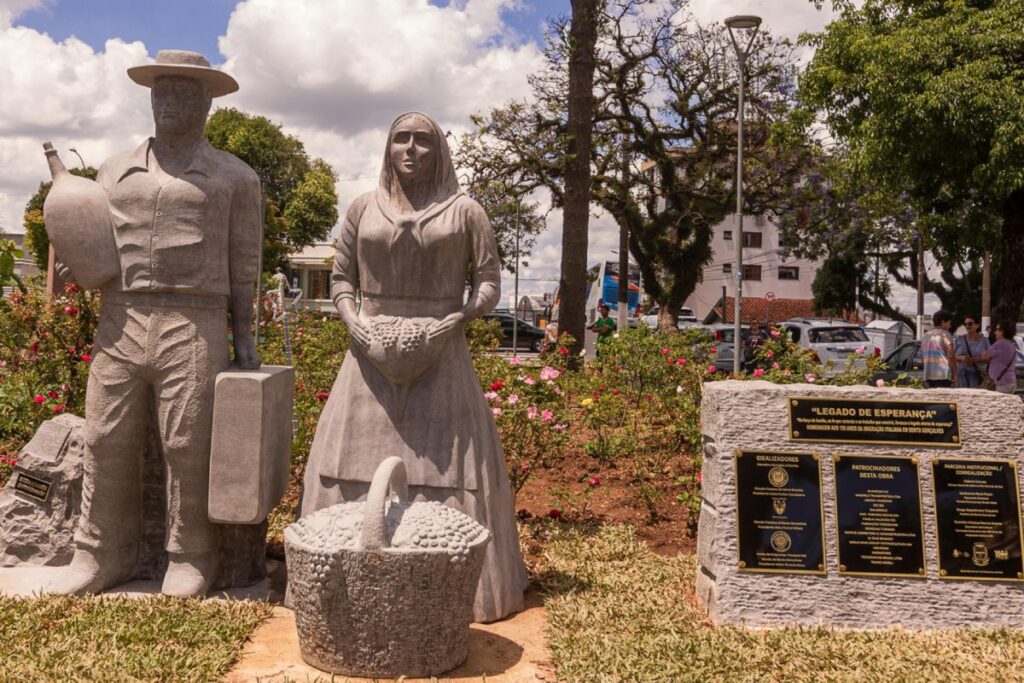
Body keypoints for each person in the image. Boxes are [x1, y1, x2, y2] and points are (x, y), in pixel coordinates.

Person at [299, 112, 528, 622]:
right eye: (400, 139)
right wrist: (353, 321)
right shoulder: (362, 208)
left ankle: (463, 588)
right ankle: (338, 584)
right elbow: (341, 279)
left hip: (442, 352)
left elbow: (487, 283)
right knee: (347, 458)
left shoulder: (466, 212)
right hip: (367, 354)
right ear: (387, 148)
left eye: (422, 141)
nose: (410, 149)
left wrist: (456, 319)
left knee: (452, 466)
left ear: (439, 151)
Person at [51, 51, 261, 597]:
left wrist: (247, 346)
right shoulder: (114, 169)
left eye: (184, 93)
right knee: (103, 436)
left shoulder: (235, 178)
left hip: (196, 319)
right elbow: (92, 247)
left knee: (188, 442)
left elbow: (246, 268)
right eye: (161, 92)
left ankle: (192, 555)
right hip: (121, 317)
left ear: (207, 103)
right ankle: (100, 552)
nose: (169, 102)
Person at [921, 310, 958, 388]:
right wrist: (954, 373)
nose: (950, 326)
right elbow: (951, 356)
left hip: (928, 375)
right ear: (943, 322)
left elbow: (922, 356)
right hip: (943, 375)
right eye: (949, 323)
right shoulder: (946, 335)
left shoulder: (925, 336)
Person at [980, 322, 1018, 393]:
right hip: (1011, 381)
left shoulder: (1000, 344)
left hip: (1001, 383)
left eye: (997, 330)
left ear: (1002, 331)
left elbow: (984, 357)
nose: (995, 332)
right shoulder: (1012, 344)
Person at [954, 315, 990, 388]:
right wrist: (961, 358)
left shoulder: (984, 340)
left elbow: (989, 357)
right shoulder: (959, 339)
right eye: (965, 324)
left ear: (977, 325)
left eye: (970, 323)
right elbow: (952, 355)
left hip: (976, 374)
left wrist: (975, 359)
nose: (967, 326)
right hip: (961, 374)